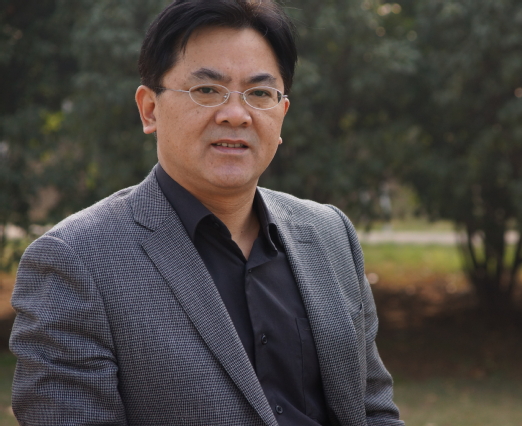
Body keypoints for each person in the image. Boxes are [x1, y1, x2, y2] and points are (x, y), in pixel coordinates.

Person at [10, 1, 403, 425]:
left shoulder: (329, 234)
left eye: (259, 94)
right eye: (207, 90)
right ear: (149, 109)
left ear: (281, 114)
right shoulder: (76, 261)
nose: (236, 115)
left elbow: (373, 411)